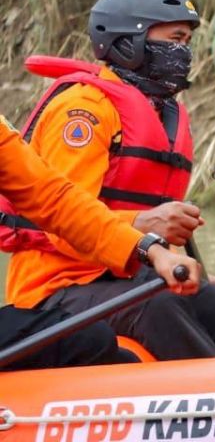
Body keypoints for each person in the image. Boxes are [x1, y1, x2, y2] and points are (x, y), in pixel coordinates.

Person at [4, 0, 215, 360]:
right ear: (129, 42)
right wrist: (144, 224)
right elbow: (60, 222)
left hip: (131, 274)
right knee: (160, 308)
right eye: (175, 40)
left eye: (188, 42)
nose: (185, 53)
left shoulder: (165, 117)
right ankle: (209, 408)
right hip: (58, 287)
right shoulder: (84, 110)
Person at [0, 116, 199, 369]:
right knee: (94, 340)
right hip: (55, 288)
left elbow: (57, 201)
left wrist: (150, 249)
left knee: (102, 346)